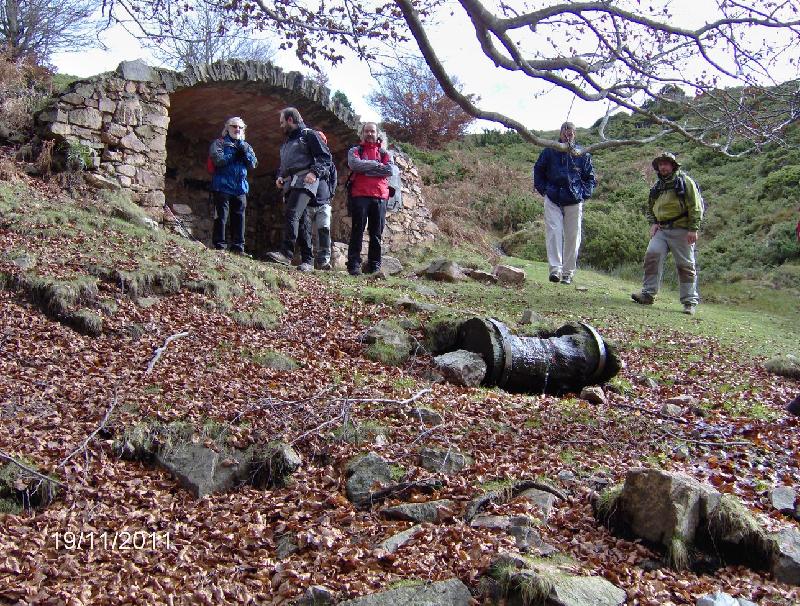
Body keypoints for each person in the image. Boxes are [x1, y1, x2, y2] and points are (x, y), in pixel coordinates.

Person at [631, 152, 704, 315]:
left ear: (673, 165)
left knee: (685, 265)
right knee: (652, 255)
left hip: (682, 230)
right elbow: (650, 207)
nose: (663, 167)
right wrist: (653, 223)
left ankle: (689, 302)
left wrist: (693, 228)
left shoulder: (685, 182)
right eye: (660, 164)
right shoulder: (657, 186)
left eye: (666, 163)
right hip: (662, 230)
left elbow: (696, 206)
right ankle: (648, 294)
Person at [267, 107, 333, 272]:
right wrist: (279, 177)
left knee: (292, 213)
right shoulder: (288, 142)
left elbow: (325, 157)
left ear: (290, 120)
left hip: (305, 180)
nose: (281, 126)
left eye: (282, 122)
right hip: (291, 183)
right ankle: (308, 261)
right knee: (302, 221)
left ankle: (286, 254)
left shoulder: (309, 135)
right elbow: (284, 166)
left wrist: (314, 172)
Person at [533, 121, 596, 285]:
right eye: (565, 130)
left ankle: (568, 273)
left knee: (573, 236)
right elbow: (538, 170)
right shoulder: (550, 151)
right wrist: (544, 190)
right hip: (553, 196)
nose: (568, 134)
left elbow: (590, 178)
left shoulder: (582, 154)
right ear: (560, 132)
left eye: (571, 131)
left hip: (574, 199)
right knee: (553, 232)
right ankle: (555, 270)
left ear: (575, 134)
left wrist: (584, 194)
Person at [347, 122, 393, 275]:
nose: (369, 134)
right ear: (362, 133)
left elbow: (389, 169)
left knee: (376, 234)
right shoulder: (355, 150)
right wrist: (375, 165)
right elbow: (354, 165)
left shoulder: (385, 153)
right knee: (357, 231)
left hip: (380, 196)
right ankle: (353, 266)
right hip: (360, 195)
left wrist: (365, 169)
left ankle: (375, 266)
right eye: (366, 131)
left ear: (377, 133)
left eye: (372, 131)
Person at [209, 116, 257, 254]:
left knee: (239, 217)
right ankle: (220, 246)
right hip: (222, 185)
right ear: (227, 128)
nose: (237, 129)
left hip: (240, 187)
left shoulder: (246, 146)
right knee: (221, 216)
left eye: (240, 127)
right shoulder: (219, 143)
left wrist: (244, 152)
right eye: (234, 126)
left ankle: (238, 247)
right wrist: (234, 154)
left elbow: (253, 164)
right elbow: (218, 160)